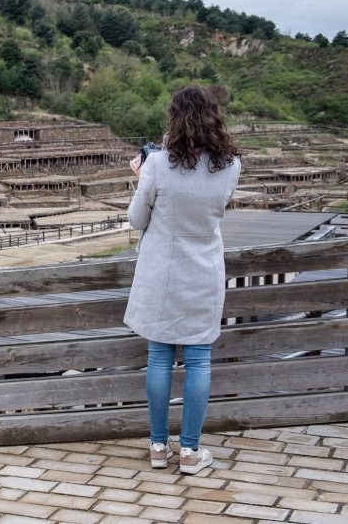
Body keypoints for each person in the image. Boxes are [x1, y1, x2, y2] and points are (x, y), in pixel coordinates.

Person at [123, 84, 241, 474]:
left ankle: (159, 447)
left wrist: (140, 177)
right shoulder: (231, 166)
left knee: (159, 358)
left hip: (161, 273)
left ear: (174, 119)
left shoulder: (156, 164)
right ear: (214, 118)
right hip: (203, 271)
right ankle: (190, 452)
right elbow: (215, 209)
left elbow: (137, 219)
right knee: (199, 358)